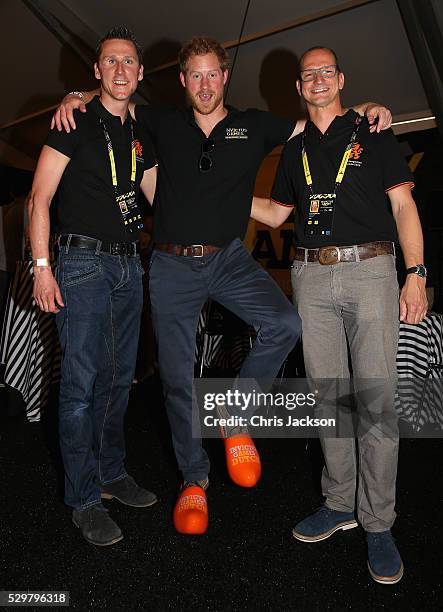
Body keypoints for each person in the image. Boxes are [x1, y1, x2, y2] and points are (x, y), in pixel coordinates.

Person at [51, 36, 392, 535]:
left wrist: (365, 106)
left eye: (213, 74)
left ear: (225, 77)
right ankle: (194, 480)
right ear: (183, 80)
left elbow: (321, 113)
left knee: (283, 322)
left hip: (229, 260)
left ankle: (234, 417)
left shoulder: (254, 124)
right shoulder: (160, 121)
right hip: (170, 265)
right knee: (174, 378)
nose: (205, 84)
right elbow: (113, 97)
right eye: (195, 75)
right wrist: (75, 97)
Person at [251, 46, 428, 584]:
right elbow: (279, 214)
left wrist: (416, 274)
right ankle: (339, 501)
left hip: (371, 270)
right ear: (301, 88)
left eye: (326, 70)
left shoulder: (373, 131)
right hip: (309, 274)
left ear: (341, 80)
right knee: (329, 395)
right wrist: (223, 195)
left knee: (372, 400)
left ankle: (378, 521)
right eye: (309, 74)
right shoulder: (295, 145)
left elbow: (402, 205)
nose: (318, 78)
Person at [29, 27, 158, 547]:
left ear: (141, 73)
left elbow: (159, 196)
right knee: (80, 388)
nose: (121, 70)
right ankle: (83, 498)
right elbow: (39, 198)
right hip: (80, 262)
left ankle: (111, 472)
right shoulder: (74, 119)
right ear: (97, 72)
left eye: (129, 62)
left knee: (120, 379)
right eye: (111, 62)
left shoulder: (142, 131)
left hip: (130, 265)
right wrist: (42, 267)